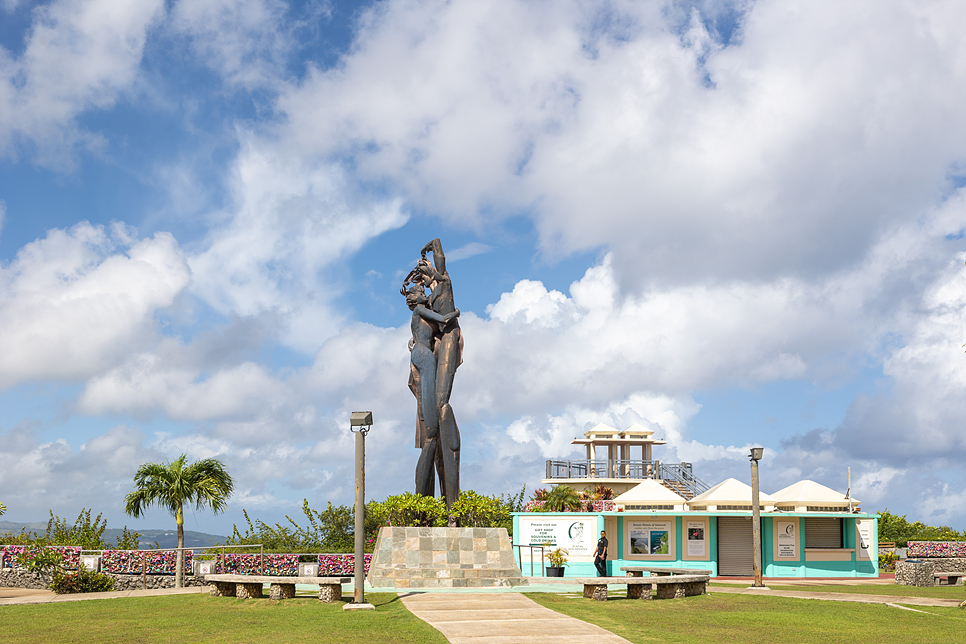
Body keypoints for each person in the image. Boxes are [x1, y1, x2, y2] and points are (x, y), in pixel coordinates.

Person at [401, 280, 459, 498]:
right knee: (431, 427)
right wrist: (456, 313)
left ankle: (428, 418)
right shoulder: (420, 309)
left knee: (429, 419)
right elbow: (444, 319)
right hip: (424, 355)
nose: (423, 293)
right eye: (420, 291)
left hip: (421, 352)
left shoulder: (418, 314)